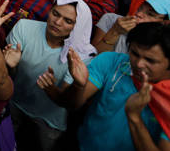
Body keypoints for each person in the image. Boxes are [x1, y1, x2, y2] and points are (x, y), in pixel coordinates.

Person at [45, 22, 170, 150]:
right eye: (134, 54)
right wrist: (78, 85)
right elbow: (72, 105)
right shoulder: (111, 62)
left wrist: (134, 117)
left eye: (150, 60)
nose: (139, 64)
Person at [8, 0, 95, 150]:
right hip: (14, 104)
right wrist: (10, 66)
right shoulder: (24, 27)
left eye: (68, 21)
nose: (57, 22)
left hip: (49, 121)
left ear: (78, 26)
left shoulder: (81, 56)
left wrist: (51, 90)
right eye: (56, 13)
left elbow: (68, 102)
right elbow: (6, 75)